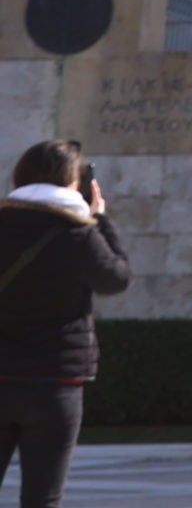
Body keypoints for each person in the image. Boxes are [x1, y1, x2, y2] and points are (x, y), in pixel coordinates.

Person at [0, 141, 130, 508]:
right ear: (73, 184)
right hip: (55, 385)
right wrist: (100, 219)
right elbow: (117, 279)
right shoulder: (79, 236)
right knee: (43, 498)